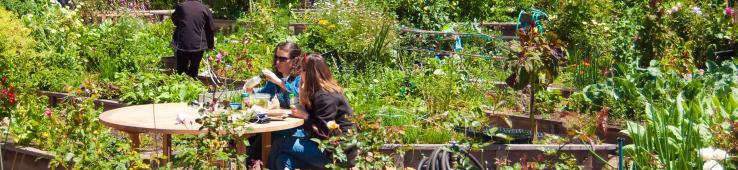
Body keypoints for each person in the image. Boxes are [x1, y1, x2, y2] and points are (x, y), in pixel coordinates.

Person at [266, 53, 357, 170]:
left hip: (336, 154)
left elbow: (325, 132)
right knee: (283, 160)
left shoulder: (325, 96)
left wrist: (305, 116)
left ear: (309, 73)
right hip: (326, 148)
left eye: (302, 70)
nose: (300, 74)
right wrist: (301, 92)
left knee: (279, 144)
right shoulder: (319, 91)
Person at [244, 42, 302, 109]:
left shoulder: (300, 78)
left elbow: (301, 94)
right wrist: (250, 91)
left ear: (294, 60)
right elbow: (263, 96)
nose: (277, 62)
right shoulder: (274, 80)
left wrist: (279, 82)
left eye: (282, 59)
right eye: (276, 58)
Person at [172, 0, 215, 79]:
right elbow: (211, 29)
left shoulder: (181, 6)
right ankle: (192, 83)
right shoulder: (205, 8)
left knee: (181, 70)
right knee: (194, 71)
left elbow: (175, 20)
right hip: (198, 45)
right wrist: (211, 45)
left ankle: (181, 85)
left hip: (182, 44)